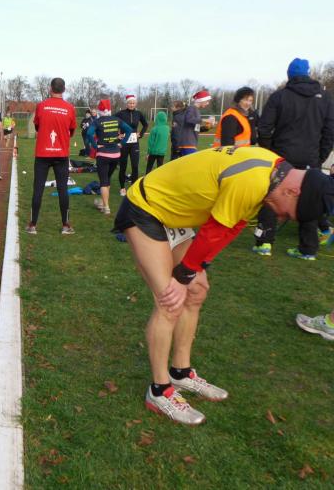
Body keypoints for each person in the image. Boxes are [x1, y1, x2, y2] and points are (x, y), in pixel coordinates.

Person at [113, 145, 333, 425]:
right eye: (288, 214)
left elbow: (232, 227)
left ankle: (180, 373)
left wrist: (196, 269)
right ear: (292, 191)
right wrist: (182, 277)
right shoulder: (253, 179)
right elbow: (215, 228)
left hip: (173, 214)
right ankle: (159, 391)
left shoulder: (273, 176)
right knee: (169, 300)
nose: (281, 218)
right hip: (146, 209)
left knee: (195, 292)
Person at [253, 58, 334, 260]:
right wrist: (320, 156)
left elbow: (264, 128)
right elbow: (329, 132)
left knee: (272, 194)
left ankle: (264, 242)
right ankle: (308, 249)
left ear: (289, 75)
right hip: (310, 158)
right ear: (308, 74)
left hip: (282, 156)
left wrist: (269, 153)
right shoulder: (325, 98)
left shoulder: (279, 96)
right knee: (310, 199)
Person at [25, 77, 77, 235]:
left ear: (50, 89)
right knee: (63, 189)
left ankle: (32, 225)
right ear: (64, 89)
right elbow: (72, 131)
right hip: (61, 154)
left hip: (43, 154)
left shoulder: (41, 106)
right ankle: (65, 225)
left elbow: (37, 126)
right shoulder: (70, 108)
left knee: (38, 188)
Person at [86, 98, 132, 215]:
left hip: (103, 154)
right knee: (107, 179)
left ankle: (106, 207)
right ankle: (103, 202)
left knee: (103, 181)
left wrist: (95, 146)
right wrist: (122, 143)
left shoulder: (97, 121)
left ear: (99, 110)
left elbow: (89, 133)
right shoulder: (117, 119)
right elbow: (129, 130)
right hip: (116, 155)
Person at [115, 94, 149, 196]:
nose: (132, 105)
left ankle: (134, 187)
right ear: (127, 103)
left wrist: (141, 134)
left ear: (135, 104)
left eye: (133, 103)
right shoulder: (121, 113)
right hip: (124, 143)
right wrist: (117, 135)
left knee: (135, 166)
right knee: (123, 165)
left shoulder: (138, 113)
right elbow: (112, 122)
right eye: (130, 103)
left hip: (134, 143)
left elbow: (145, 124)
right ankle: (122, 188)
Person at [175, 90, 212, 156]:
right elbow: (189, 119)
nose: (208, 103)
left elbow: (195, 128)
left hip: (190, 144)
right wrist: (204, 120)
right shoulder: (191, 108)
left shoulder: (196, 110)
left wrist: (206, 128)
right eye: (207, 101)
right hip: (187, 144)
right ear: (201, 100)